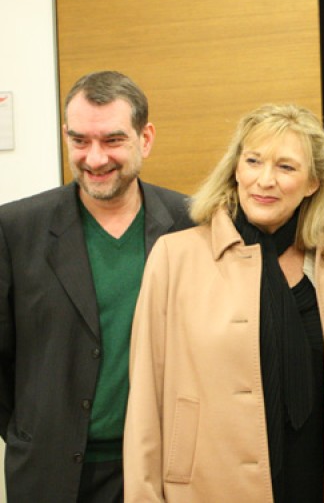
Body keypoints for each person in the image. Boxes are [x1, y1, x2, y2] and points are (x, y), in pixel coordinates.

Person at [123, 103, 324, 502]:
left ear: (313, 183)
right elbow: (145, 397)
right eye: (253, 161)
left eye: (286, 167)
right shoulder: (175, 257)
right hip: (207, 485)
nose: (265, 180)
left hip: (315, 483)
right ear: (236, 168)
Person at [0, 71, 192, 502]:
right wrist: (34, 428)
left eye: (112, 140)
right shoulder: (15, 230)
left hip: (161, 471)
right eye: (80, 140)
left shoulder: (190, 223)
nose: (94, 157)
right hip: (48, 474)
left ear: (145, 139)